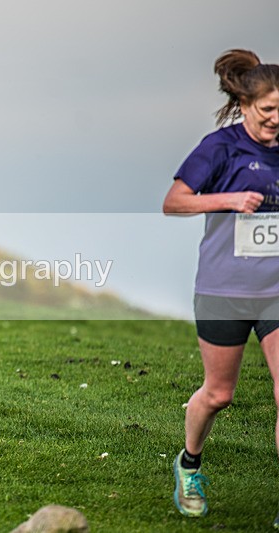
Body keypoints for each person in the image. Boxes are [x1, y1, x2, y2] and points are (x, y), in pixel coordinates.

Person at [163, 49, 279, 524]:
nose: (276, 119)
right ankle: (189, 464)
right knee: (219, 394)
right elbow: (173, 203)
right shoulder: (220, 147)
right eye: (268, 110)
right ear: (246, 103)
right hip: (224, 288)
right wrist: (229, 199)